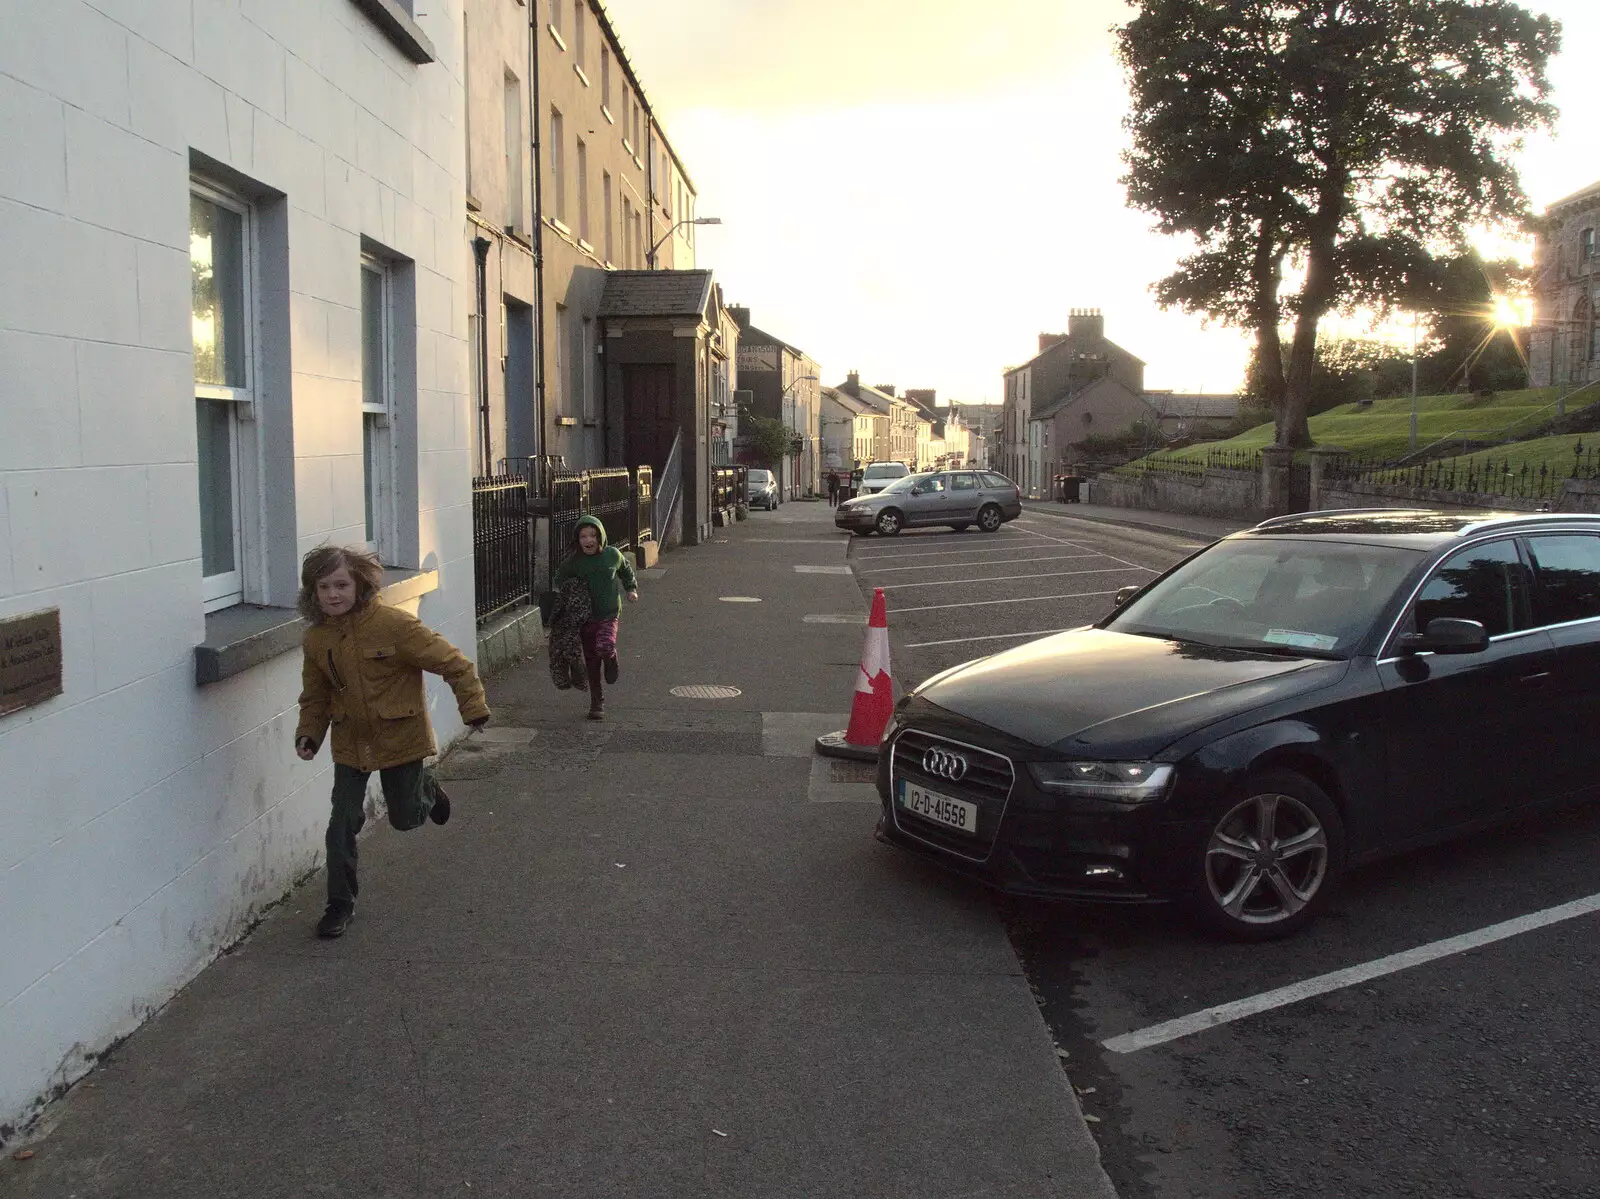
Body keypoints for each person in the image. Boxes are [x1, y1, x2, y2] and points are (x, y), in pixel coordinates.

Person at [294, 546, 490, 939]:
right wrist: (309, 734)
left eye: (341, 585)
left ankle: (428, 791)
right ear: (312, 592)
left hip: (401, 738)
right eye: (323, 587)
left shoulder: (394, 625)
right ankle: (339, 904)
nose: (333, 595)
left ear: (360, 584)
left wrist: (473, 708)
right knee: (341, 824)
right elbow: (315, 695)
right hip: (351, 742)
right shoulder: (316, 639)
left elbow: (455, 664)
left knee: (405, 818)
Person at [553, 515, 639, 720]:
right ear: (578, 539)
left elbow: (626, 571)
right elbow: (559, 579)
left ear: (600, 537)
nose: (588, 540)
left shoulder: (612, 555)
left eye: (593, 535)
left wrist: (631, 589)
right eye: (583, 536)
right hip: (586, 618)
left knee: (605, 646)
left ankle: (611, 659)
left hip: (609, 614)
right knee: (591, 662)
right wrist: (565, 595)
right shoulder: (574, 562)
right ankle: (596, 702)